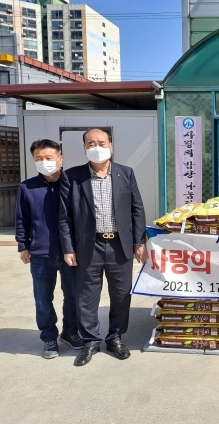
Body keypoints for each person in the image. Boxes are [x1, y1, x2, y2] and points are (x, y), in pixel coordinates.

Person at [59, 129, 147, 367]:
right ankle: (90, 342)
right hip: (89, 245)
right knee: (86, 297)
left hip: (120, 245)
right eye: (90, 143)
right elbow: (65, 217)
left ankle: (115, 338)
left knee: (121, 295)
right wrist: (68, 248)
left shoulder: (125, 173)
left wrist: (139, 242)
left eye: (101, 142)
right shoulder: (72, 177)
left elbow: (137, 209)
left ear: (111, 146)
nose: (96, 146)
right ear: (84, 148)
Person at [15, 139, 83, 359]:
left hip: (70, 252)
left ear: (60, 159)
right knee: (43, 298)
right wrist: (23, 245)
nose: (44, 162)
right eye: (39, 159)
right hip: (40, 252)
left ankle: (70, 332)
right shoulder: (27, 187)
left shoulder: (73, 183)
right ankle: (49, 338)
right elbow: (21, 218)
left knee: (73, 296)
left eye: (48, 158)